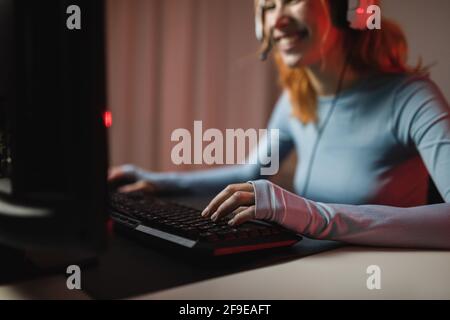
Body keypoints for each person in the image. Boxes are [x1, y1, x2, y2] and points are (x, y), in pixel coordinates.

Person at [109, 0, 450, 249]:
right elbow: (253, 171)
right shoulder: (294, 99)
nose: (278, 19)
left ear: (348, 8)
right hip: (302, 267)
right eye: (268, 6)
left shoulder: (411, 98)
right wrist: (157, 181)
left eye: (292, 0)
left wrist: (312, 215)